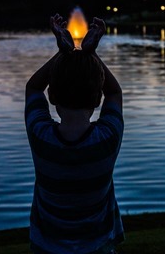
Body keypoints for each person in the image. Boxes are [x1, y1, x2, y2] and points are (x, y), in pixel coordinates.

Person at [25, 14, 124, 254]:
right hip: (98, 247)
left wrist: (63, 52)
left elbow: (33, 87)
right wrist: (91, 54)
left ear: (53, 96)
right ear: (97, 98)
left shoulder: (40, 136)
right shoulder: (107, 138)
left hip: (47, 248)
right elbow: (114, 93)